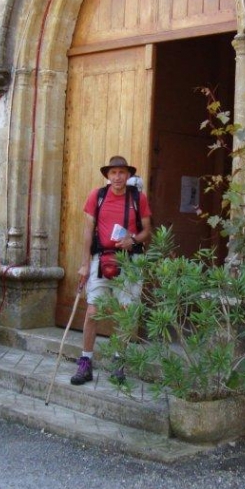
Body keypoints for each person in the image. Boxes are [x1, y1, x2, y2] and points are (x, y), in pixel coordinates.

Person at [73, 156, 152, 385]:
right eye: (113, 173)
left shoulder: (138, 198)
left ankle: (119, 362)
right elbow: (88, 231)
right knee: (92, 312)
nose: (117, 177)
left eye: (122, 173)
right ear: (107, 175)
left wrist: (133, 240)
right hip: (101, 259)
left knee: (125, 314)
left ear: (128, 176)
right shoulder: (97, 197)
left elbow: (148, 231)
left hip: (130, 261)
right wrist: (85, 263)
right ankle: (85, 362)